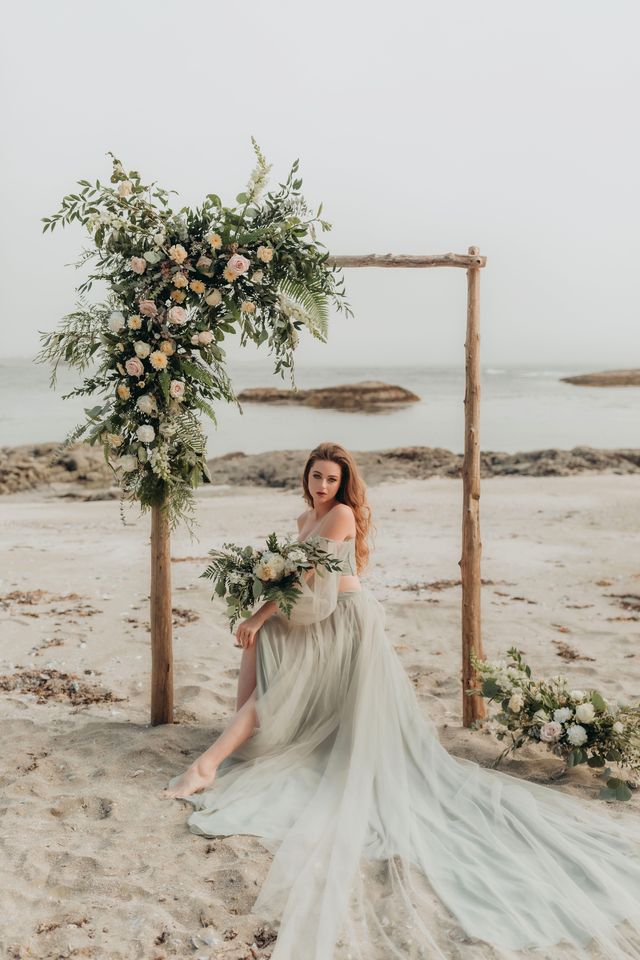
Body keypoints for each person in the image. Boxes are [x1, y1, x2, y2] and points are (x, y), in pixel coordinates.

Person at [164, 442, 640, 960]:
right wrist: (259, 608)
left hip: (344, 619)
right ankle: (239, 739)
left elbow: (304, 577)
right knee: (262, 654)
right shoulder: (305, 515)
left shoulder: (342, 514)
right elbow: (291, 581)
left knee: (271, 667)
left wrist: (259, 613)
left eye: (329, 479)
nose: (321, 486)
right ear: (305, 478)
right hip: (312, 616)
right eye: (315, 477)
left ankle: (209, 762)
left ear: (342, 484)